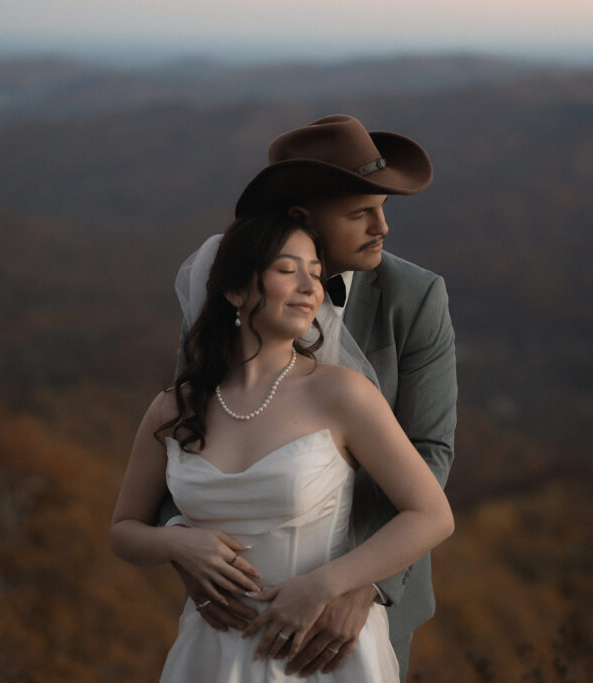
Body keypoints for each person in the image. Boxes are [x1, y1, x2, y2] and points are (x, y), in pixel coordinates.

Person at [167, 115, 458, 680]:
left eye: (384, 209)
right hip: (234, 616)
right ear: (302, 218)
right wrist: (183, 546)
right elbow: (183, 430)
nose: (383, 227)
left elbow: (429, 453)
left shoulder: (416, 297)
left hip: (361, 611)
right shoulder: (227, 294)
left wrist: (360, 583)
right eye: (360, 214)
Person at [110, 213, 454, 681]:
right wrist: (177, 542)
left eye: (315, 272)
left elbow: (433, 515)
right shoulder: (174, 407)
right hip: (210, 653)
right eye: (287, 270)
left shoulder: (343, 395)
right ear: (234, 290)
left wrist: (324, 586)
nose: (310, 287)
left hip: (321, 651)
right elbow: (123, 530)